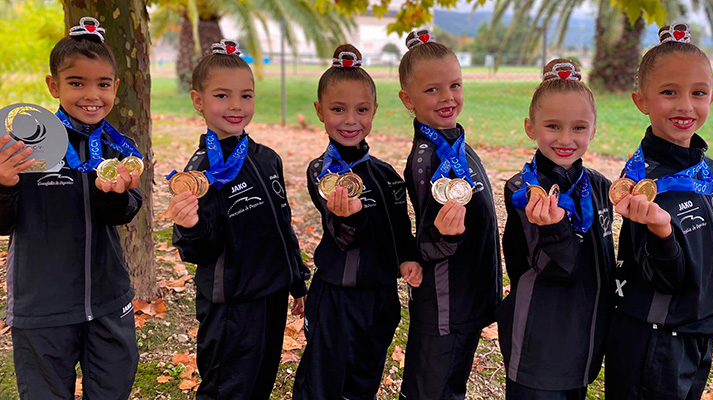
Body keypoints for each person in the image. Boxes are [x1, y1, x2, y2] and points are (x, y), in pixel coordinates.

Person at [0, 16, 142, 399]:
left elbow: (125, 213)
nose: (91, 95)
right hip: (41, 305)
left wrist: (114, 193)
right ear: (53, 86)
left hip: (109, 301)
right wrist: (4, 185)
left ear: (115, 86)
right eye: (76, 83)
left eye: (103, 84)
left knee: (113, 389)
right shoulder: (23, 146)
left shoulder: (120, 148)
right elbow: (3, 221)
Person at [604, 23, 713, 400]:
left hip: (698, 328)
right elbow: (661, 277)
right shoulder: (639, 185)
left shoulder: (706, 169)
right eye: (669, 93)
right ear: (642, 101)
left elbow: (701, 239)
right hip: (655, 336)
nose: (685, 105)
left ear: (712, 99)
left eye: (698, 93)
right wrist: (660, 230)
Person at [169, 39, 309, 400]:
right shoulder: (200, 172)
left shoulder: (267, 158)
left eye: (246, 96)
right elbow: (200, 250)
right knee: (227, 389)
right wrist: (191, 226)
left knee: (261, 381)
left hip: (273, 296)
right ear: (198, 101)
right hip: (231, 306)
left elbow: (282, 224)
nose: (236, 106)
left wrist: (296, 282)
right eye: (222, 96)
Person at [292, 44, 422, 400]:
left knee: (365, 378)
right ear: (320, 111)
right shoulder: (323, 172)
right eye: (338, 109)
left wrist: (408, 257)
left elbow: (400, 229)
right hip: (337, 297)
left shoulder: (388, 175)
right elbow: (343, 236)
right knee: (323, 382)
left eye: (361, 110)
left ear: (375, 111)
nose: (350, 120)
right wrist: (351, 216)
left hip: (381, 297)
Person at [498, 59, 615, 400]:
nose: (566, 139)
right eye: (553, 126)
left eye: (579, 128)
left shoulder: (599, 186)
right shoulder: (523, 190)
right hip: (540, 343)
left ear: (594, 129)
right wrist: (553, 231)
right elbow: (553, 268)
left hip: (585, 339)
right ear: (530, 127)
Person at [396, 29, 502, 400]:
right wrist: (445, 236)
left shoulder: (455, 141)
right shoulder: (426, 159)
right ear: (407, 99)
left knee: (451, 384)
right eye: (432, 90)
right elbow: (427, 243)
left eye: (454, 85)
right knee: (432, 389)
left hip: (468, 295)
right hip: (445, 306)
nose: (447, 97)